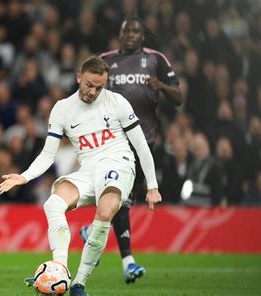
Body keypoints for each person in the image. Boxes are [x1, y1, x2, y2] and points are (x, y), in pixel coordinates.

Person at [0, 56, 161, 295]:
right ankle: (60, 270)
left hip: (119, 162)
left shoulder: (117, 103)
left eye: (99, 87)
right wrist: (24, 176)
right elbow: (47, 154)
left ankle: (79, 285)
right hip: (88, 170)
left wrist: (152, 186)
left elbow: (142, 146)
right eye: (89, 85)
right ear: (79, 77)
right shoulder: (62, 109)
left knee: (105, 211)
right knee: (52, 204)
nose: (93, 91)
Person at [80, 14, 183, 284]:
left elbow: (179, 97)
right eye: (126, 31)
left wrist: (160, 85)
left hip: (145, 140)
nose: (130, 36)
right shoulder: (106, 60)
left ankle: (93, 234)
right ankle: (128, 261)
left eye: (135, 32)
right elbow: (88, 91)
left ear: (142, 35)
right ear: (120, 34)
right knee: (120, 195)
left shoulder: (155, 59)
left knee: (123, 199)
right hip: (113, 139)